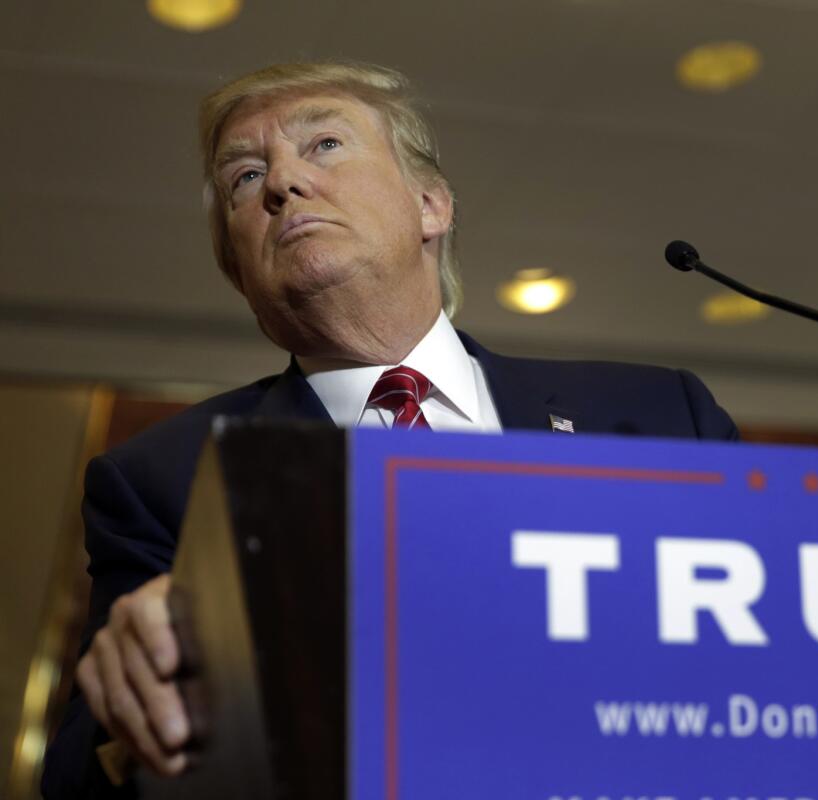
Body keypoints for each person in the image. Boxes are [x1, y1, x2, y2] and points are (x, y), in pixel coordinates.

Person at [41, 61, 737, 798]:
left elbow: (779, 677)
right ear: (237, 269)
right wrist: (141, 696)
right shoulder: (165, 477)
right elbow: (81, 777)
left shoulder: (660, 418)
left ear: (431, 205)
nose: (281, 183)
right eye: (245, 178)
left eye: (325, 146)